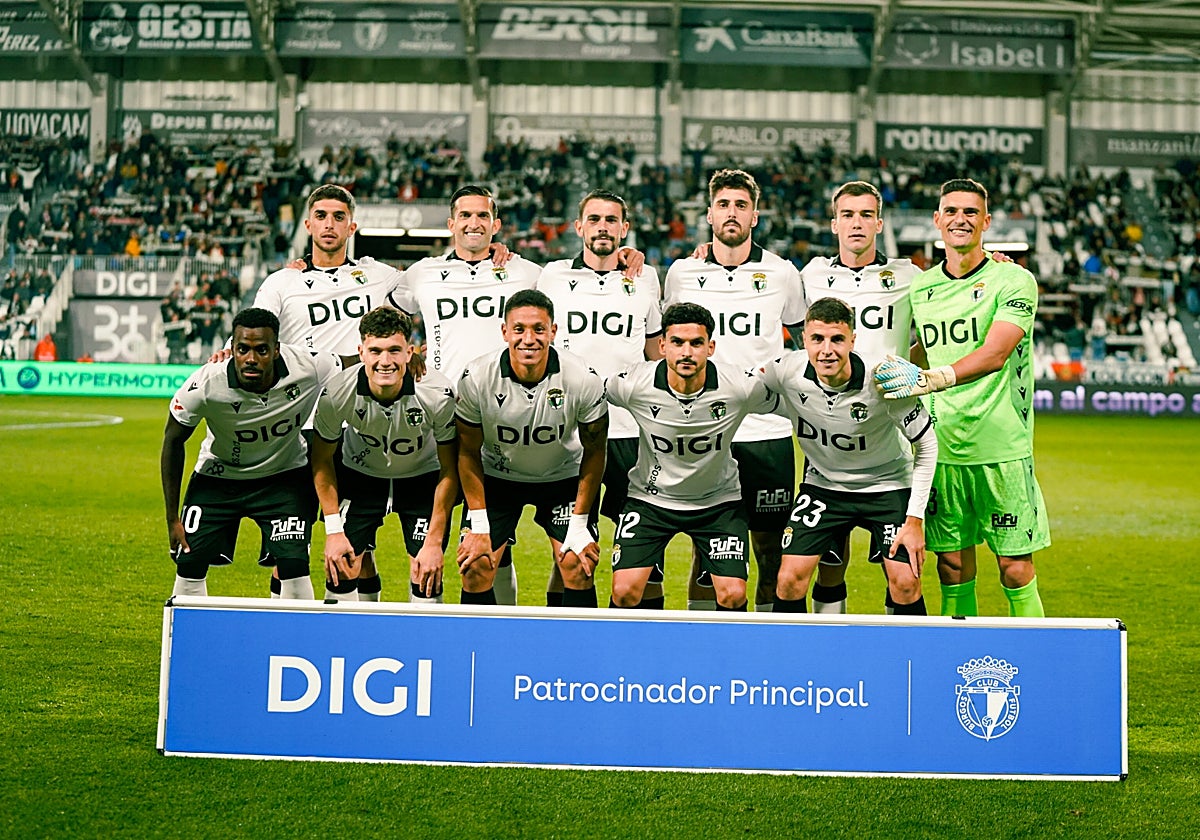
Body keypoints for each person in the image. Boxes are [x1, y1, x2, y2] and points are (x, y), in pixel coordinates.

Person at [874, 178, 1049, 618]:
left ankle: (1037, 663)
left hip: (1001, 447)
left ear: (986, 222)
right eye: (950, 211)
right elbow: (925, 352)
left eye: (970, 212)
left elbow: (995, 353)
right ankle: (960, 665)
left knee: (1014, 568)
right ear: (937, 220)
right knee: (951, 567)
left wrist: (933, 378)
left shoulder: (1013, 279)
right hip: (943, 448)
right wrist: (893, 372)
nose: (960, 219)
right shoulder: (923, 287)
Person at [389, 185, 543, 605]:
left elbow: (573, 284)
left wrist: (627, 256)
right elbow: (388, 313)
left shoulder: (526, 273)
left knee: (493, 543)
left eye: (483, 216)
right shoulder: (422, 273)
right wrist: (410, 351)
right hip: (438, 413)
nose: (474, 224)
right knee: (426, 537)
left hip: (499, 417)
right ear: (451, 223)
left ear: (496, 225)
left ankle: (498, 630)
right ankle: (429, 630)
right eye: (466, 216)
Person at [663, 169, 804, 610]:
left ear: (755, 216)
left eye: (741, 205)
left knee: (770, 549)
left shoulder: (781, 273)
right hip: (702, 430)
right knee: (707, 552)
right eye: (723, 204)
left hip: (766, 431)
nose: (731, 213)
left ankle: (767, 644)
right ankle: (703, 647)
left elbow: (803, 342)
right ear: (709, 214)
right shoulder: (681, 272)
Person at [758, 297, 936, 614]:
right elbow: (741, 392)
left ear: (852, 340)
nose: (827, 350)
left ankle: (906, 662)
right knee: (787, 580)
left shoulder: (882, 379)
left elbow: (927, 445)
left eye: (837, 339)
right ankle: (793, 661)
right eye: (817, 339)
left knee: (906, 583)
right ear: (803, 340)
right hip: (823, 487)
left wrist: (914, 520)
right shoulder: (786, 372)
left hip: (887, 486)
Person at [605, 302, 781, 611]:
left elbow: (795, 400)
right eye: (677, 343)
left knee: (732, 594)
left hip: (717, 504)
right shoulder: (633, 385)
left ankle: (727, 657)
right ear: (662, 346)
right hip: (651, 501)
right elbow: (586, 392)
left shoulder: (739, 386)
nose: (687, 352)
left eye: (696, 343)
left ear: (710, 347)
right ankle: (630, 657)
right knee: (625, 591)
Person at [537, 189, 666, 608]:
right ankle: (572, 644)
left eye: (612, 220)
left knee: (647, 560)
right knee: (570, 555)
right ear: (579, 228)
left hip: (631, 433)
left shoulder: (645, 277)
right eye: (594, 219)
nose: (603, 227)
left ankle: (643, 652)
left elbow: (654, 353)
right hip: (571, 433)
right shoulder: (552, 277)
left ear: (624, 229)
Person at [798, 181, 922, 614]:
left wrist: (915, 375)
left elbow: (932, 325)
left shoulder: (909, 275)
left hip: (890, 438)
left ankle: (901, 659)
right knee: (829, 562)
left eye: (865, 215)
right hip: (830, 439)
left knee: (902, 571)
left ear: (879, 223)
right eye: (847, 215)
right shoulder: (810, 275)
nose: (856, 223)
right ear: (834, 224)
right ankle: (828, 653)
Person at [161, 307, 338, 599]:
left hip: (284, 477)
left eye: (261, 350)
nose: (251, 359)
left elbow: (356, 362)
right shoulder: (205, 384)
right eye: (242, 349)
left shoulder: (308, 365)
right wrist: (172, 518)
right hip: (218, 477)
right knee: (189, 561)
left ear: (277, 350)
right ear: (232, 348)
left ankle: (296, 641)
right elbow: (172, 441)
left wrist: (405, 359)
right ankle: (188, 642)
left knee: (294, 564)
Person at [454, 289, 609, 608]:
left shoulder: (581, 377)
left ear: (553, 331)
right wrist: (479, 524)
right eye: (519, 329)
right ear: (504, 332)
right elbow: (467, 452)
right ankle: (480, 652)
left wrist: (579, 524)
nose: (529, 338)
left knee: (578, 565)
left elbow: (595, 452)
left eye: (539, 329)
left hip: (561, 479)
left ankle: (577, 652)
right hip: (497, 479)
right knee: (475, 566)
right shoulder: (477, 377)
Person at [311, 307, 459, 603]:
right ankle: (352, 643)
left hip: (421, 479)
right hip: (360, 477)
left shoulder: (437, 392)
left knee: (426, 575)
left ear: (410, 352)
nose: (385, 361)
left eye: (394, 350)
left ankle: (423, 646)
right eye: (375, 351)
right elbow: (322, 460)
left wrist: (435, 541)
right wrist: (333, 530)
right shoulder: (337, 392)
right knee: (341, 567)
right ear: (361, 352)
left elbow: (450, 468)